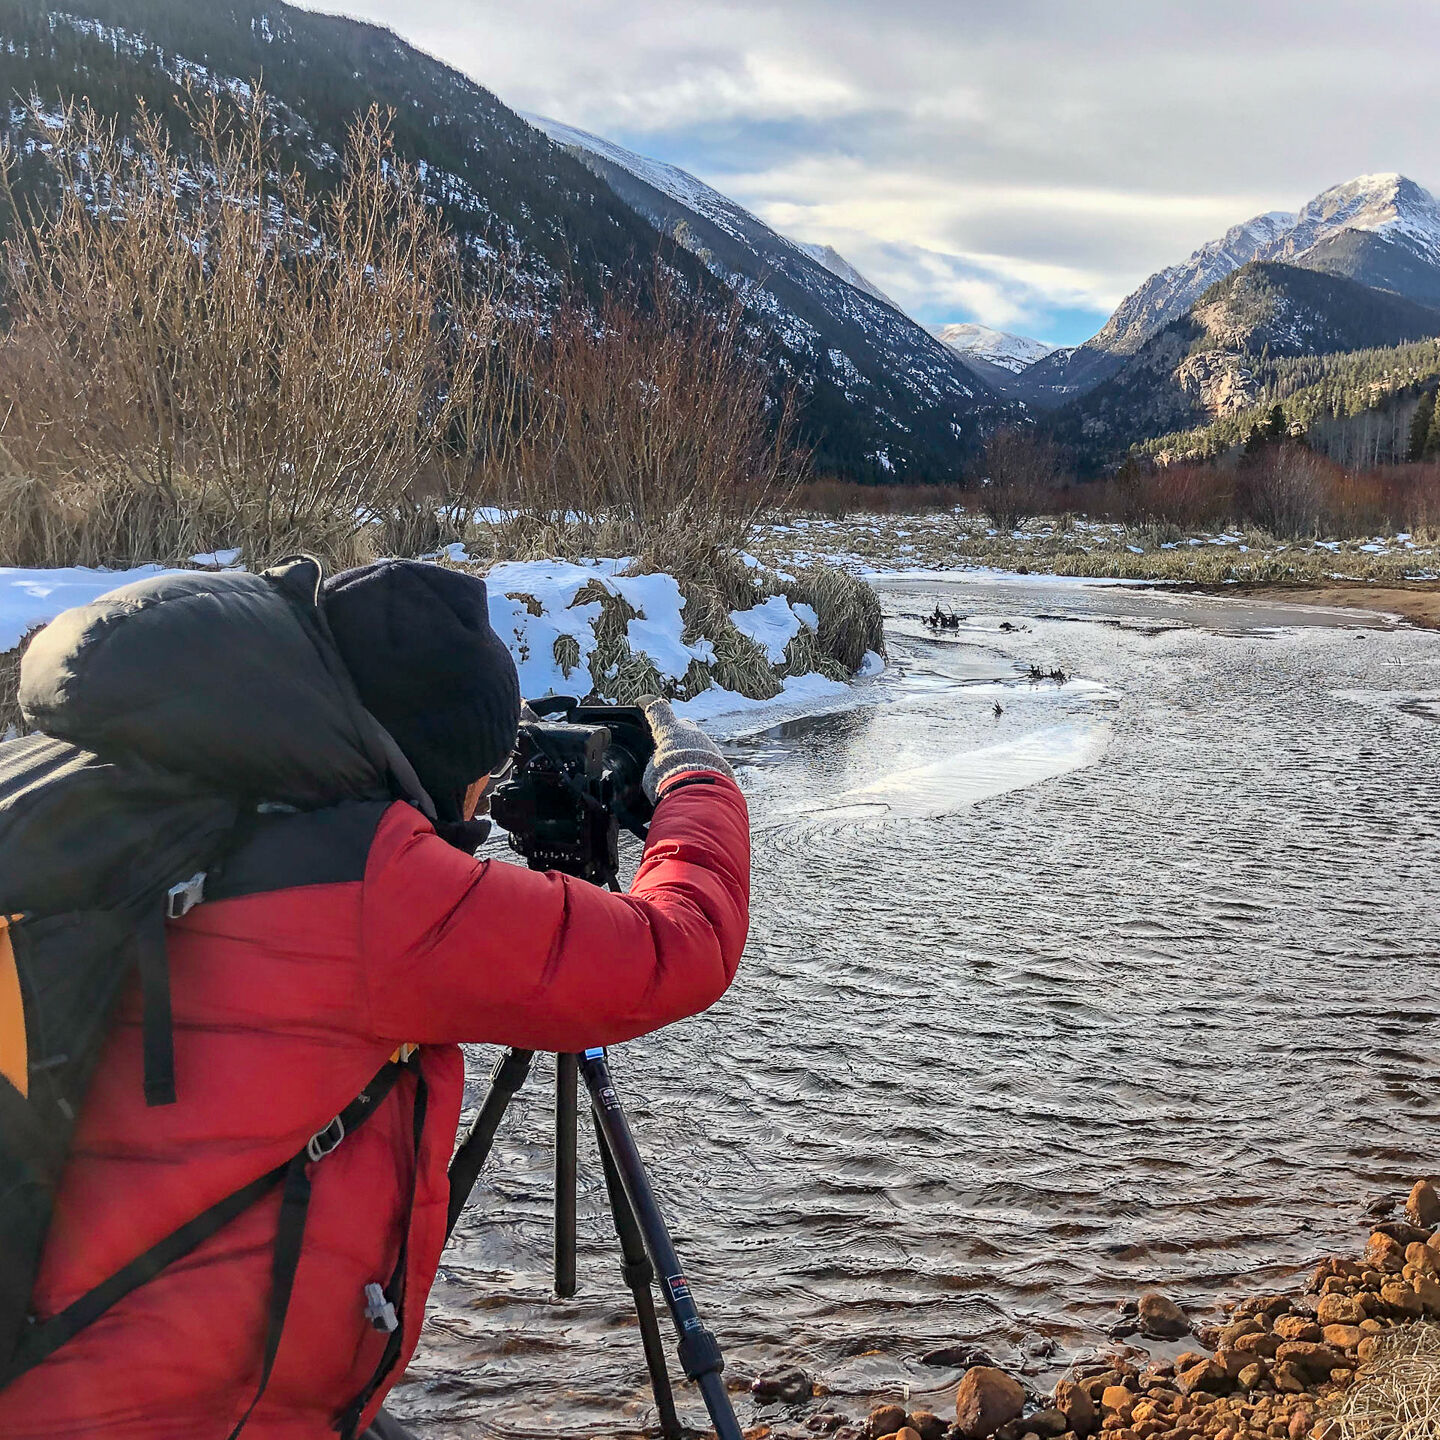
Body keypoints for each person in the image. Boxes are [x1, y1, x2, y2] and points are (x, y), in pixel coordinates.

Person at [0, 558, 750, 1440]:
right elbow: (679, 945)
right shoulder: (374, 887)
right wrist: (697, 784)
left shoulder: (126, 779)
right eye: (484, 775)